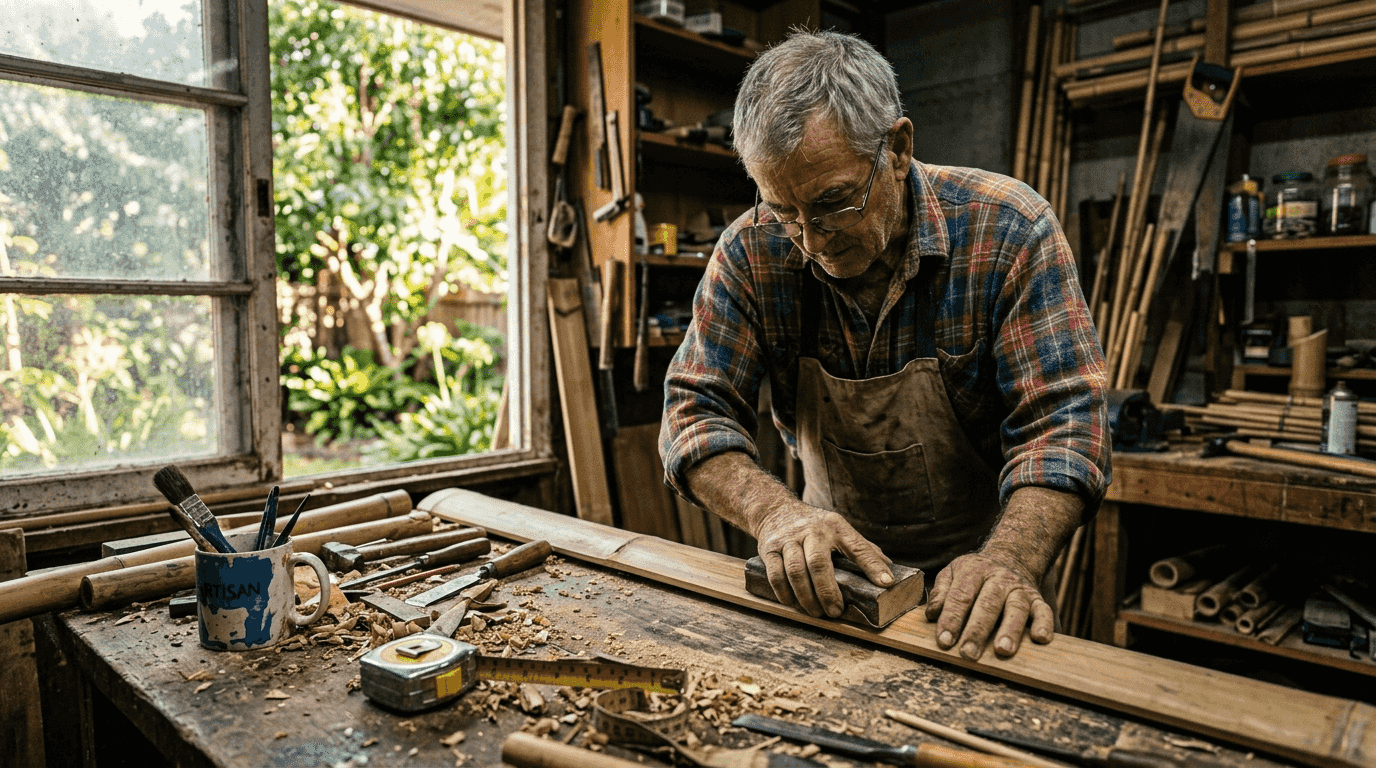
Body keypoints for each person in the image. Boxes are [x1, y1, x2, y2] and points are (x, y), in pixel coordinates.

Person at [658, 29, 1110, 660]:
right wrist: (775, 517)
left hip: (981, 578)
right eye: (785, 211)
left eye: (834, 203)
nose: (810, 240)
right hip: (827, 583)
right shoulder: (752, 249)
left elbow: (1064, 428)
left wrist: (1008, 561)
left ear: (897, 148)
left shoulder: (1009, 229)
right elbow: (692, 413)